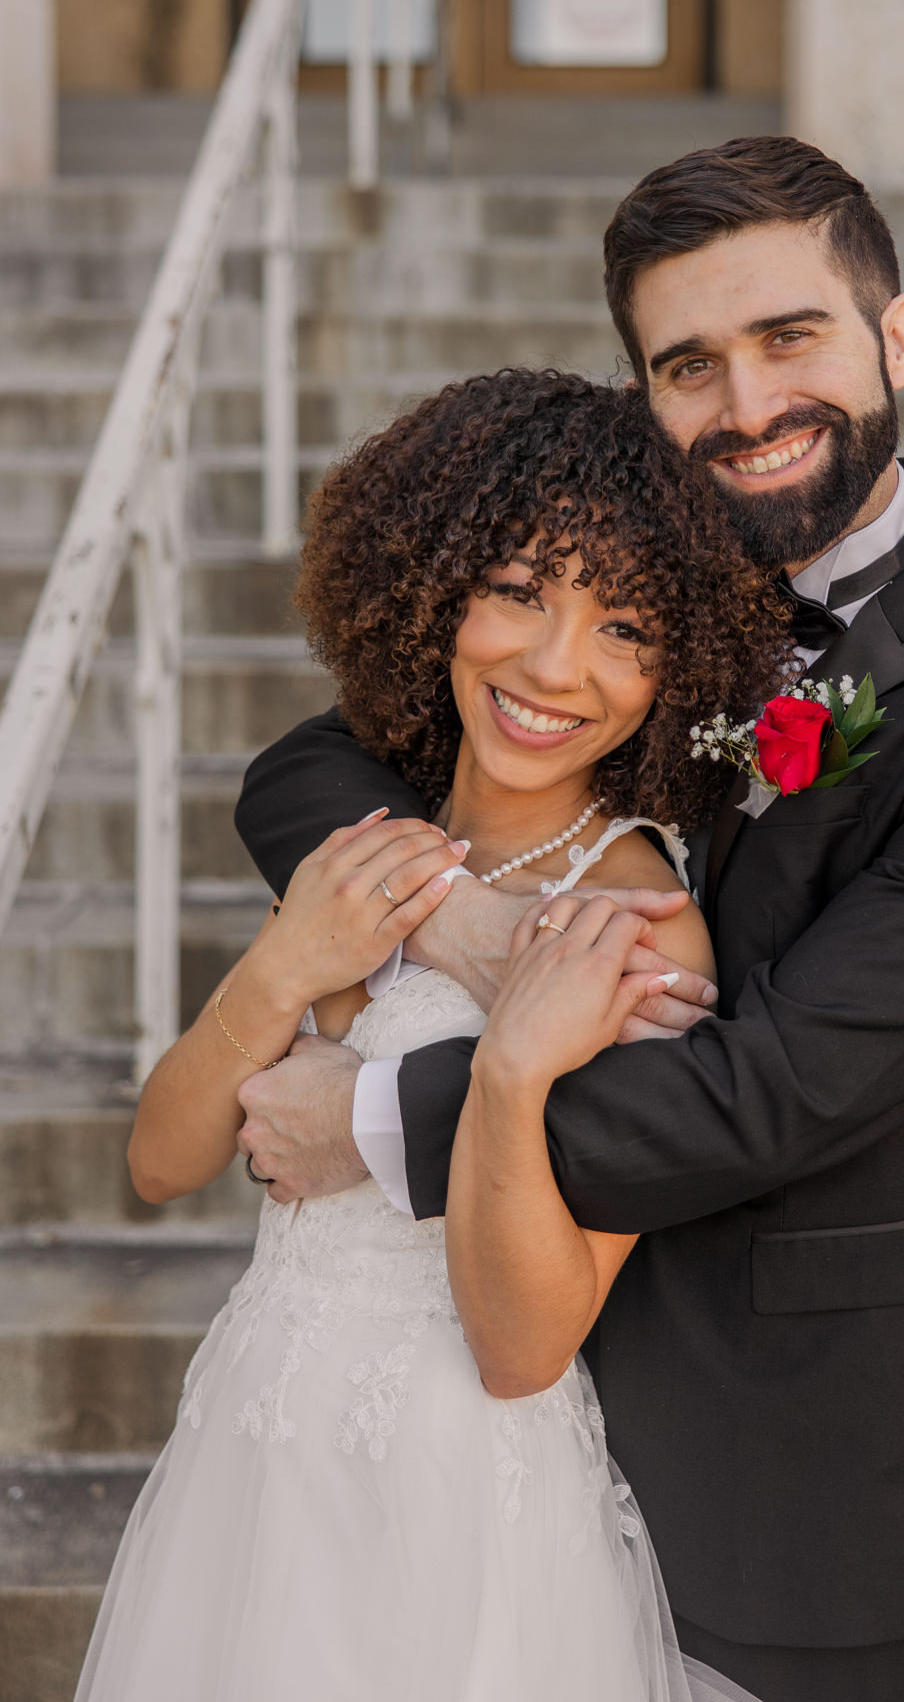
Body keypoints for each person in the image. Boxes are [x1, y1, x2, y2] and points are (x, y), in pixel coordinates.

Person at [235, 137, 904, 1702]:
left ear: (894, 336)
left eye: (789, 337)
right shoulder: (631, 591)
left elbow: (773, 1086)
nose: (744, 406)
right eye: (687, 365)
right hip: (487, 1435)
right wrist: (451, 924)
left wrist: (380, 1115)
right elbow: (306, 767)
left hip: (791, 1457)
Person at [74, 370, 792, 1702]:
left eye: (624, 626)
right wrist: (286, 961)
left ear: (679, 661)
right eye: (518, 590)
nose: (553, 665)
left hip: (454, 1487)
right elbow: (162, 1161)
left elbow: (526, 1347)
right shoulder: (368, 848)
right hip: (253, 1442)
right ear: (431, 584)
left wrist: (513, 1070)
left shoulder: (634, 925)